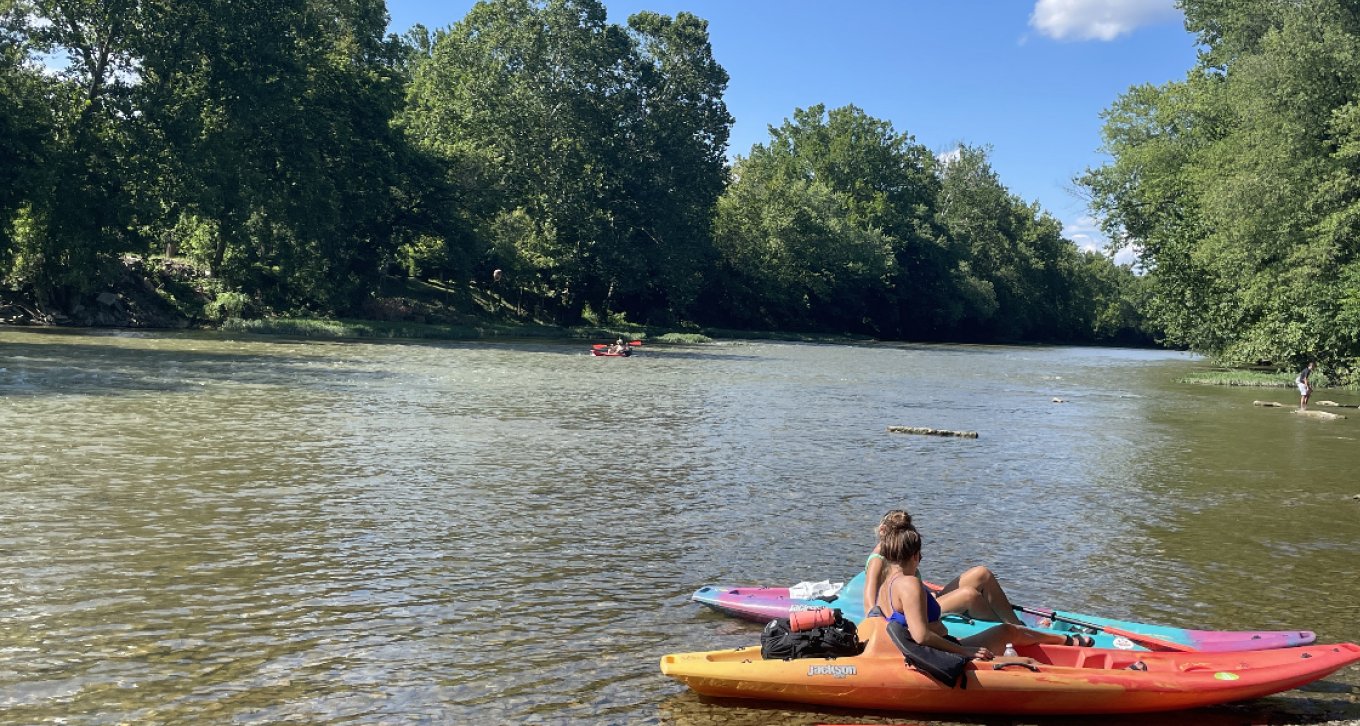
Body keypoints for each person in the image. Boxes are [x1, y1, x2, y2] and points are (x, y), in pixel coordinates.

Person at [868, 512, 1091, 659]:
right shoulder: (910, 584)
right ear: (916, 556)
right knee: (1007, 630)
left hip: (931, 650)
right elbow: (921, 636)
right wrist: (965, 651)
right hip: (938, 654)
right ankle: (1067, 642)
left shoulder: (888, 584)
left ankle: (1062, 640)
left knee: (1006, 628)